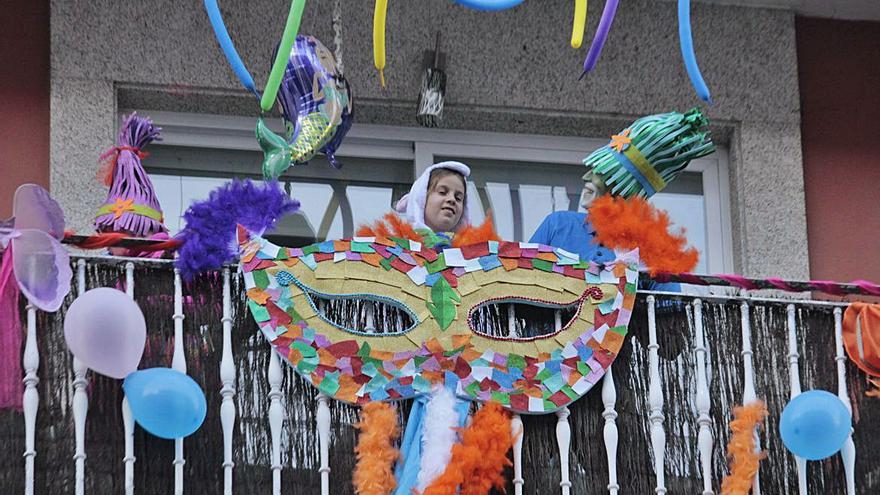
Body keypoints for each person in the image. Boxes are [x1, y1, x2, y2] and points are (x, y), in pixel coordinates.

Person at [531, 109, 716, 289]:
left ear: (622, 193)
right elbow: (518, 278)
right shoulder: (558, 225)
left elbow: (670, 316)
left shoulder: (653, 252)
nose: (586, 177)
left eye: (602, 175)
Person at [358, 161, 497, 248]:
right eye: (443, 192)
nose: (452, 199)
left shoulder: (475, 253)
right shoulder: (395, 247)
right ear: (420, 200)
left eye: (459, 197)